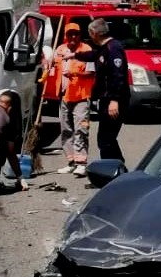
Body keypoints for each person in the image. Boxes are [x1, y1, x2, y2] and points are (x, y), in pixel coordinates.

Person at [68, 17, 129, 164]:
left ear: (94, 33)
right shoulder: (104, 49)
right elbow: (94, 55)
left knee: (105, 139)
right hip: (105, 99)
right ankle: (118, 168)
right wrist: (74, 55)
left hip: (114, 100)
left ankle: (110, 172)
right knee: (107, 139)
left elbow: (118, 75)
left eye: (90, 33)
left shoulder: (113, 48)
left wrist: (114, 100)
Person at [45, 22, 95, 176]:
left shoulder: (86, 50)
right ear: (65, 36)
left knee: (81, 129)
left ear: (80, 35)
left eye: (76, 34)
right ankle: (71, 161)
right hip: (64, 95)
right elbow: (52, 67)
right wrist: (47, 66)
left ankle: (81, 162)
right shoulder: (60, 50)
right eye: (70, 34)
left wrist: (75, 74)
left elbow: (91, 73)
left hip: (80, 96)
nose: (73, 37)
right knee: (66, 129)